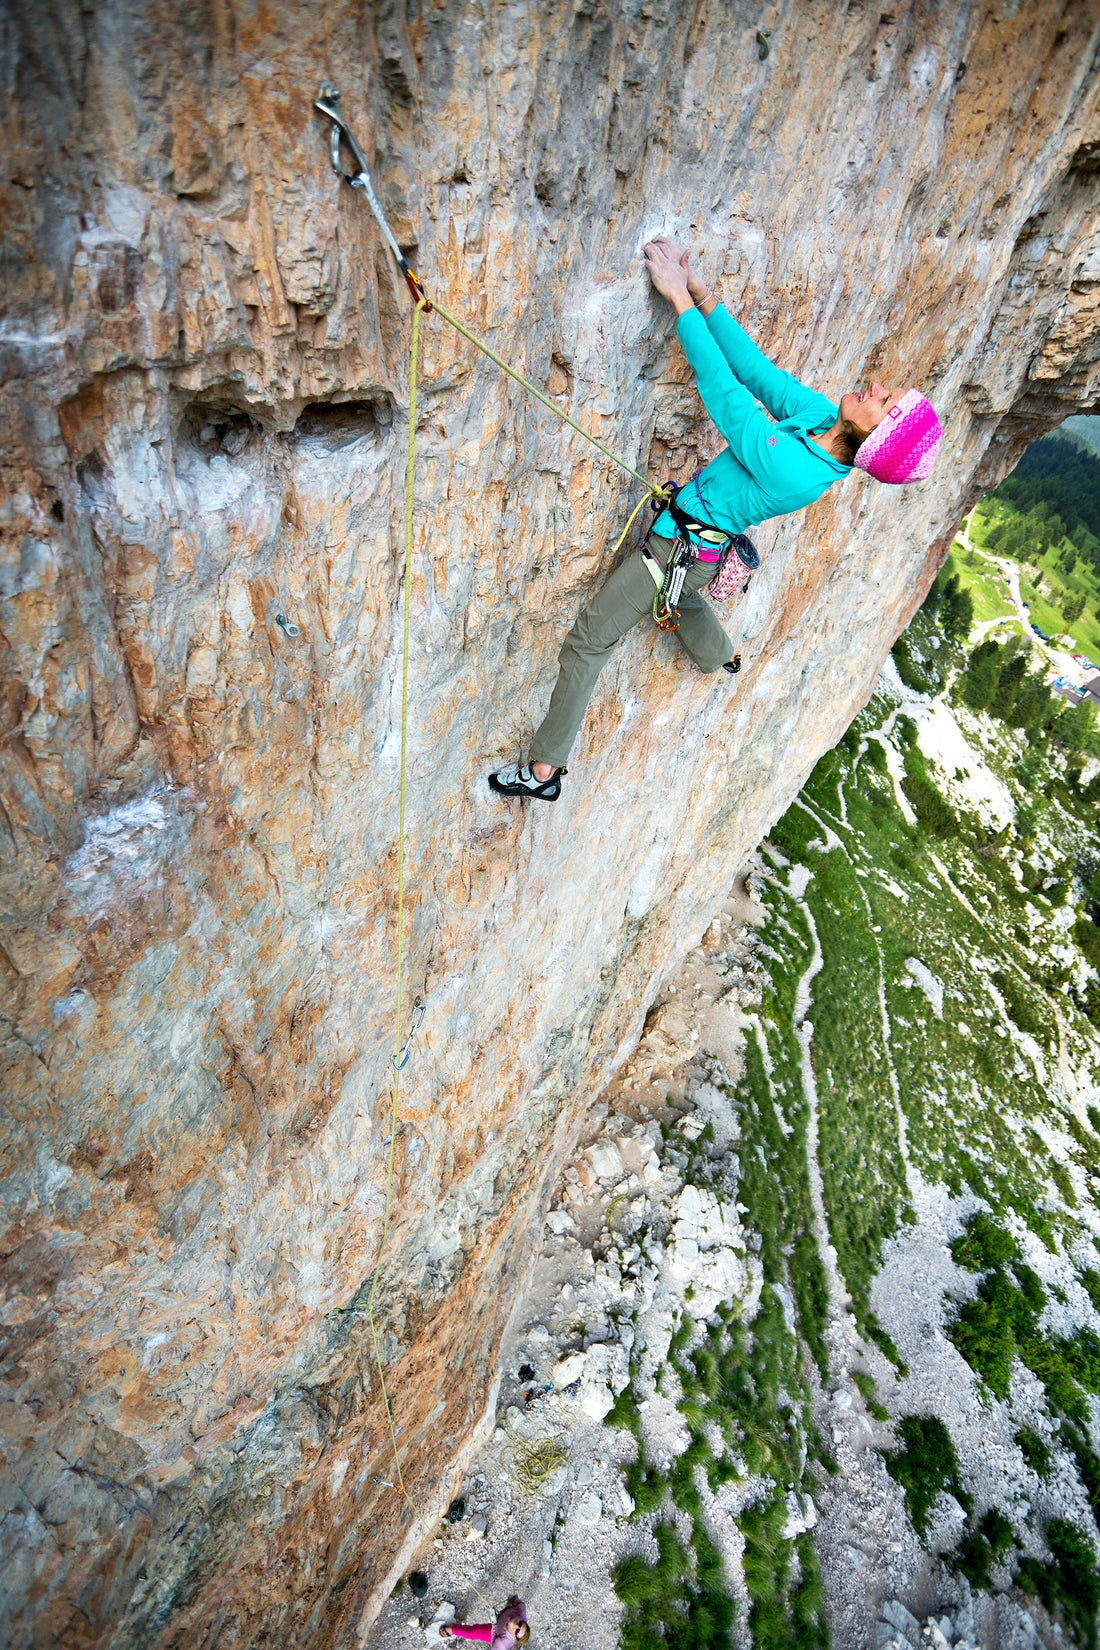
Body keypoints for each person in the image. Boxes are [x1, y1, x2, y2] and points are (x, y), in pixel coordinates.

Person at [488, 235, 942, 802]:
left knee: (587, 643)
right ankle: (718, 653)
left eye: (883, 398)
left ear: (875, 434)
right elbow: (755, 371)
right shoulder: (822, 416)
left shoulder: (800, 472)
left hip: (677, 550)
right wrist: (701, 293)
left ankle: (543, 772)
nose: (874, 386)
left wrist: (676, 299)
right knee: (678, 597)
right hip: (693, 546)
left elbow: (726, 396)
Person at [439, 1594, 529, 1646]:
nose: (517, 1626)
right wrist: (512, 1600)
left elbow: (493, 1644)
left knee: (473, 1632)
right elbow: (515, 1600)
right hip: (501, 1619)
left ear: (514, 1636)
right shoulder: (520, 1608)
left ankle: (452, 1630)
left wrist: (494, 1624)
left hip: (496, 1632)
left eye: (517, 1631)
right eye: (521, 1624)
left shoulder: (503, 1643)